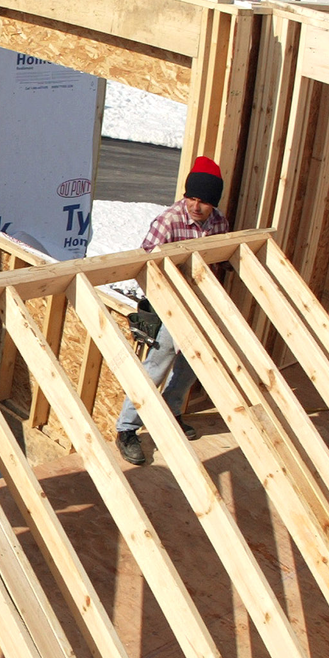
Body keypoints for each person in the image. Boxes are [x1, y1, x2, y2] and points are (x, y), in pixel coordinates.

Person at [115, 157, 231, 466]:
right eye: (192, 198)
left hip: (199, 305)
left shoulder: (219, 223)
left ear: (213, 203)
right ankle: (127, 429)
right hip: (168, 302)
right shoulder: (168, 221)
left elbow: (218, 262)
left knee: (192, 364)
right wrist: (155, 306)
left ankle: (172, 411)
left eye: (204, 201)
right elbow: (143, 264)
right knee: (157, 364)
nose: (196, 206)